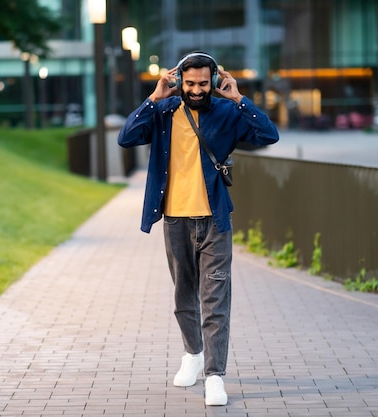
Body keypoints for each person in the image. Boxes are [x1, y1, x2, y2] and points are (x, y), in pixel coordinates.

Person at [117, 52, 279, 406]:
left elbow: (269, 135)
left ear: (214, 80)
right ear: (179, 81)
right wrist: (153, 97)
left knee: (215, 300)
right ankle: (192, 353)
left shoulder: (226, 111)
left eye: (203, 84)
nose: (195, 90)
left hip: (214, 221)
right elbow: (126, 138)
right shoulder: (162, 112)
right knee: (183, 297)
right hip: (175, 220)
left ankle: (214, 375)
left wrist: (239, 98)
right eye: (189, 84)